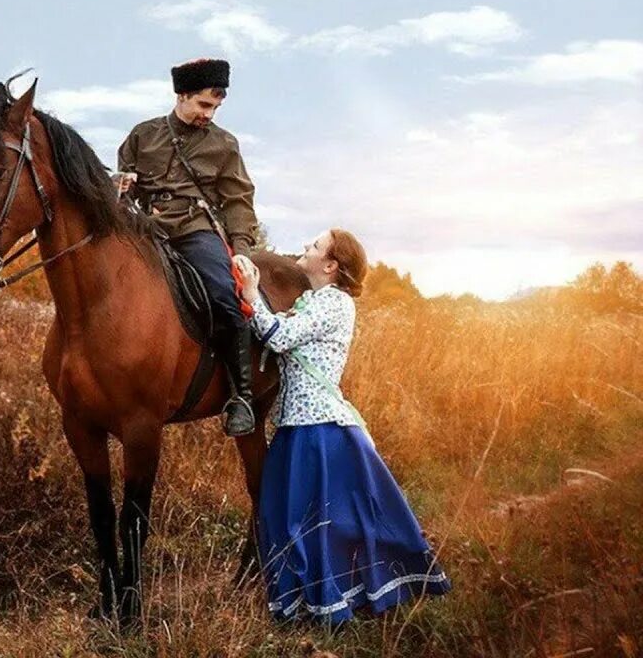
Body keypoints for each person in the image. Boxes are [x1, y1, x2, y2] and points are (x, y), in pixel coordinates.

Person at [234, 231, 450, 625]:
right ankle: (309, 600)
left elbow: (279, 338)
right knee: (287, 515)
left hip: (318, 429)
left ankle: (334, 599)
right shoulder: (312, 300)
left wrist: (250, 292)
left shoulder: (335, 303)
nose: (307, 248)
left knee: (315, 519)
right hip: (294, 424)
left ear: (331, 266)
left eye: (315, 247)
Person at [116, 58, 259, 436]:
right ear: (182, 96)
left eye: (214, 108)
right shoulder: (142, 135)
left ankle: (240, 396)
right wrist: (123, 182)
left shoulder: (224, 144)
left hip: (194, 230)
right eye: (203, 105)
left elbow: (238, 201)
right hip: (143, 229)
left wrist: (241, 245)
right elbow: (122, 181)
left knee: (226, 298)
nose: (208, 115)